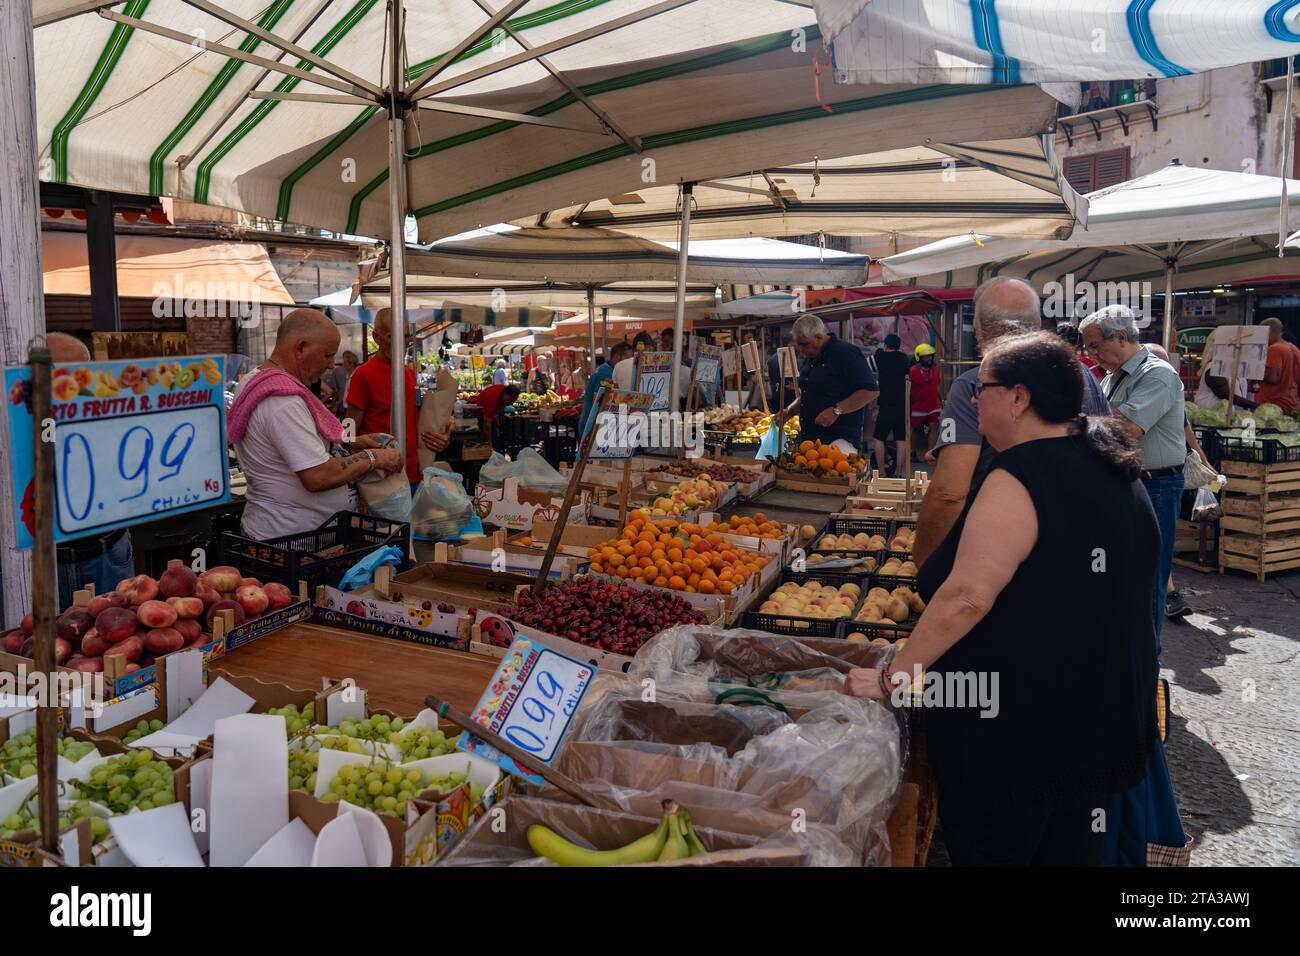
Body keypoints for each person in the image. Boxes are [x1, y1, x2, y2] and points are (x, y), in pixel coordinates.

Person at [847, 331, 1158, 865]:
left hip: (1018, 732)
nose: (973, 401)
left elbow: (966, 597)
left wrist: (891, 677)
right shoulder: (1112, 463)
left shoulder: (1020, 474)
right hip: (1097, 715)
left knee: (996, 849)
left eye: (981, 390)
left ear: (1018, 398)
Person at [1079, 305, 1190, 867]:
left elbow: (1123, 428)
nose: (1092, 354)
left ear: (1123, 338)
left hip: (1159, 486)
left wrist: (1071, 427)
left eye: (1097, 344)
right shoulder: (1117, 374)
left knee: (1147, 588)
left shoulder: (1158, 376)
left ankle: (1142, 678)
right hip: (1129, 484)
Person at [913, 278, 1111, 565]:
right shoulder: (1083, 375)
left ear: (979, 328)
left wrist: (925, 567)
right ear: (1038, 322)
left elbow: (949, 493)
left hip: (1005, 550)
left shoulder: (977, 384)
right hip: (1080, 542)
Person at [229, 310, 404, 540]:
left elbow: (293, 444)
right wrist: (374, 458)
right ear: (300, 348)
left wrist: (352, 441)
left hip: (296, 534)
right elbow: (317, 476)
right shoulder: (282, 403)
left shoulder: (257, 380)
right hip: (291, 540)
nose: (332, 365)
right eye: (327, 356)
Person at [50, 333, 137, 609]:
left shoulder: (110, 414)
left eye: (79, 374)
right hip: (42, 564)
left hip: (107, 554)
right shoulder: (16, 423)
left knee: (116, 635)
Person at [345, 308, 449, 486]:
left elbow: (416, 420)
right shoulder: (363, 375)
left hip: (414, 473)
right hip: (381, 478)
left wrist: (440, 436)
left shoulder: (408, 374)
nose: (402, 343)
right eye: (393, 336)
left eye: (406, 336)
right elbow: (348, 431)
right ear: (376, 337)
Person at [1146, 343, 1212, 622]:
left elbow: (1186, 429)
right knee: (1155, 542)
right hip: (1140, 476)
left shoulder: (1165, 387)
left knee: (1159, 541)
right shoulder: (1146, 386)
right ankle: (1167, 595)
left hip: (1164, 477)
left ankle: (1168, 595)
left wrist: (1202, 460)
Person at [777, 314, 879, 452]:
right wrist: (789, 411)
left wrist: (837, 410)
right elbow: (811, 393)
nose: (800, 349)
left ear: (819, 337)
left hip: (839, 441)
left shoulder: (845, 352)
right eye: (798, 344)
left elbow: (871, 391)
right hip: (811, 439)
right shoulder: (812, 356)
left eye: (803, 344)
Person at [871, 334, 910, 476]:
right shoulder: (904, 358)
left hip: (886, 404)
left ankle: (881, 472)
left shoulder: (879, 357)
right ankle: (898, 472)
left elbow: (866, 366)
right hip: (902, 405)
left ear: (885, 344)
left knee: (878, 438)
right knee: (901, 439)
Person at [580, 342, 630, 437]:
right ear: (616, 356)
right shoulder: (606, 373)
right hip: (592, 427)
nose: (628, 363)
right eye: (626, 359)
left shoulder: (607, 369)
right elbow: (598, 401)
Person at [1254, 317, 1300, 413]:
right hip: (1292, 404)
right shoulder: (1294, 348)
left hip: (1273, 407)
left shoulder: (1274, 349)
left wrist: (1254, 372)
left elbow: (1273, 377)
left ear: (1268, 332)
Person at [909, 343, 943, 458]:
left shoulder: (935, 369)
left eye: (930, 356)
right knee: (915, 429)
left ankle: (930, 454)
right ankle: (912, 452)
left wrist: (941, 400)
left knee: (933, 427)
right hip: (917, 406)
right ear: (919, 357)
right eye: (926, 356)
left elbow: (938, 386)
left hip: (934, 406)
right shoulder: (912, 371)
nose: (929, 358)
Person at [469, 382, 521, 447]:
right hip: (476, 411)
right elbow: (487, 424)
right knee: (485, 433)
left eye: (512, 401)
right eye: (508, 400)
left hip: (488, 410)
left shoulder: (505, 390)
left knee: (495, 428)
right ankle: (486, 446)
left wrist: (498, 415)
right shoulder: (492, 399)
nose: (510, 404)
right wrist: (490, 443)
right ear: (503, 394)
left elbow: (501, 407)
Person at [326, 351, 358, 417]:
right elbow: (343, 393)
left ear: (351, 364)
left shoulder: (357, 376)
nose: (343, 365)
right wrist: (337, 404)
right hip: (345, 408)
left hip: (353, 410)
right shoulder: (348, 376)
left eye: (345, 363)